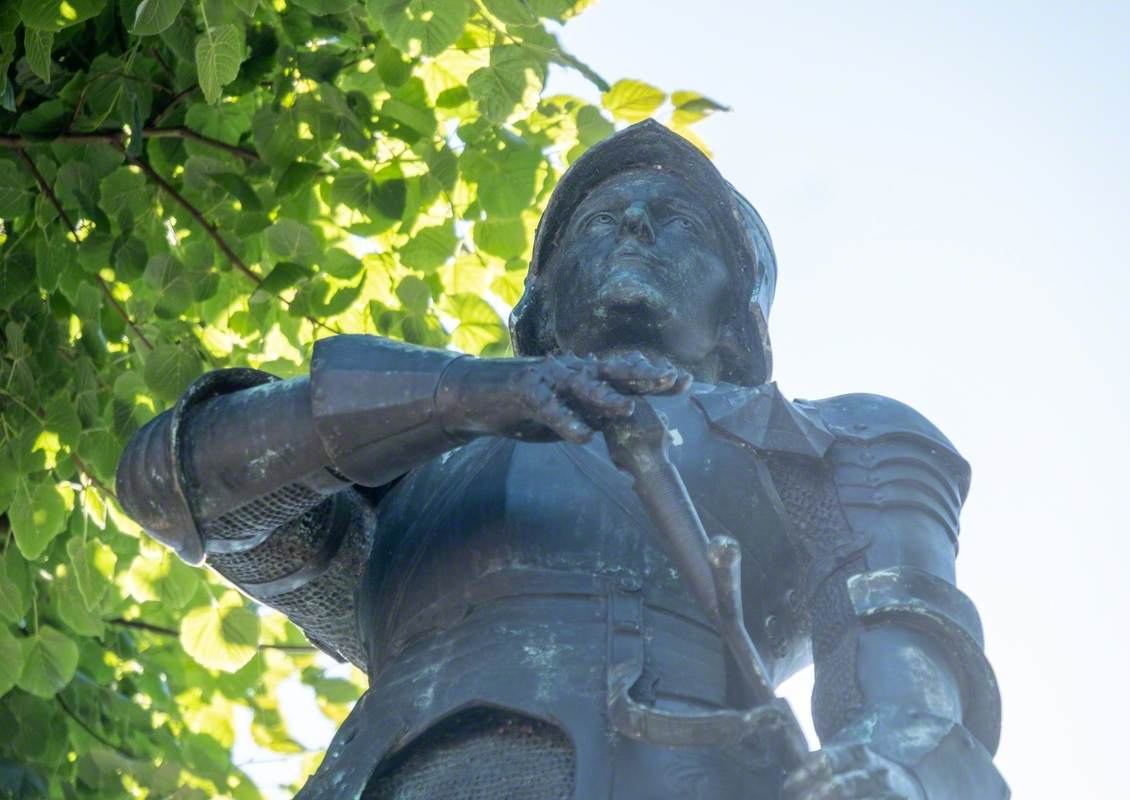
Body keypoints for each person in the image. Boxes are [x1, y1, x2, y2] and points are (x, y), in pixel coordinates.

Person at [117, 120, 1007, 799]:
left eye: (676, 224)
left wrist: (885, 776)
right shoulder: (413, 466)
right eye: (602, 222)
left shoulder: (834, 440)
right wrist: (459, 397)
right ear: (538, 304)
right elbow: (173, 483)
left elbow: (911, 685)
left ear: (739, 318)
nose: (633, 232)